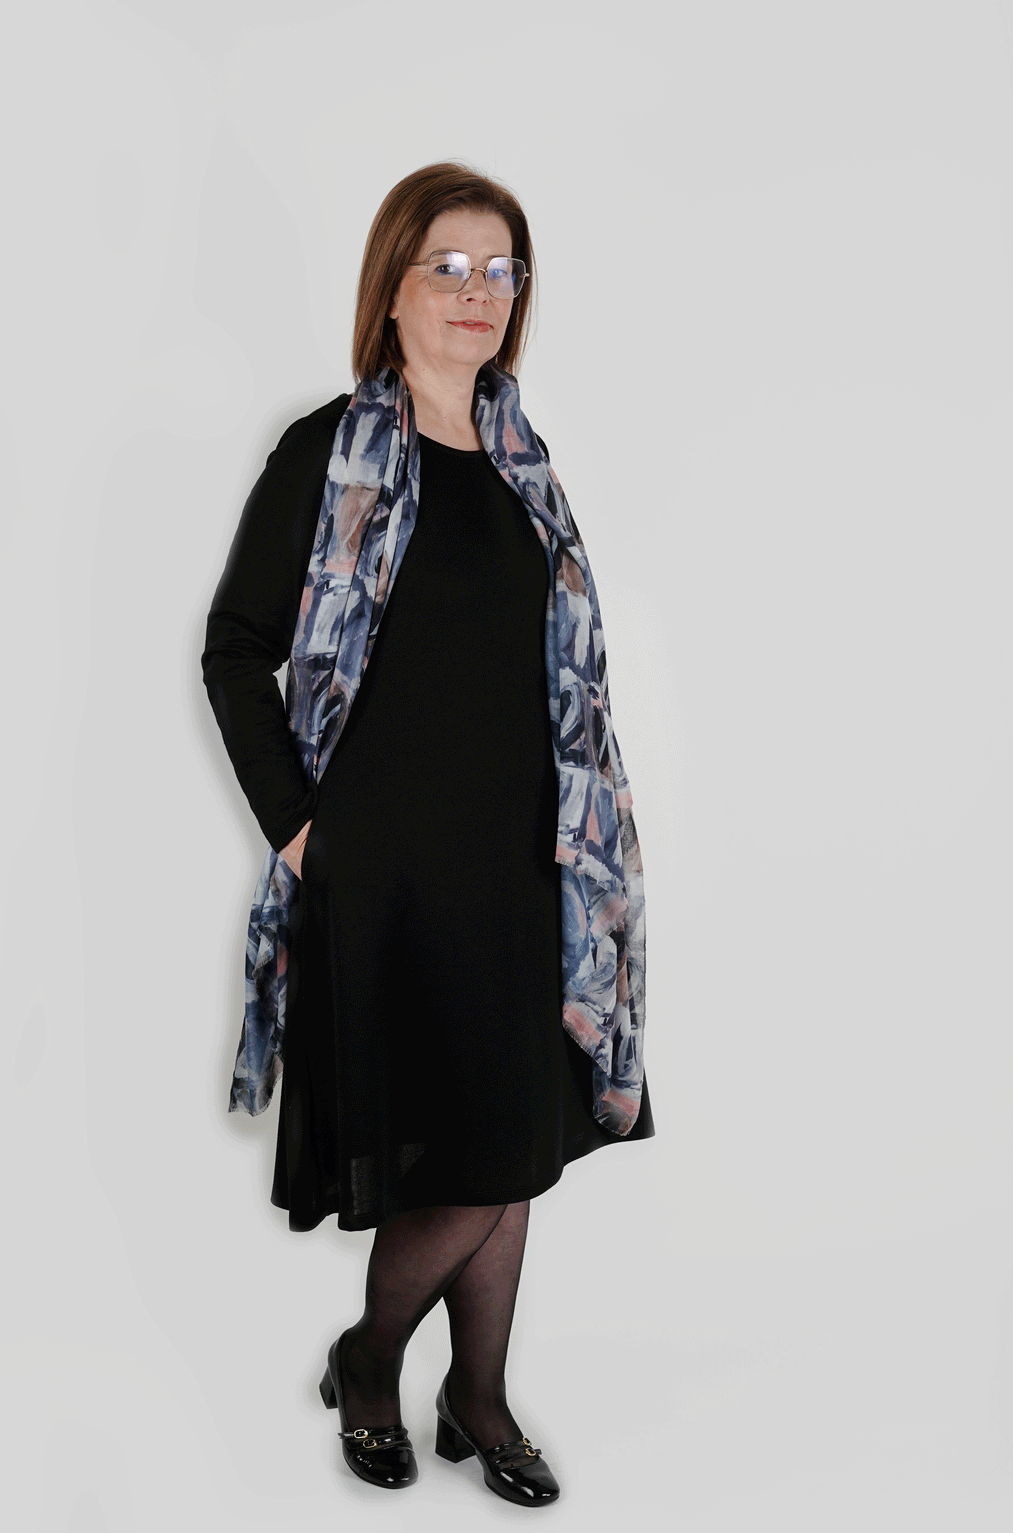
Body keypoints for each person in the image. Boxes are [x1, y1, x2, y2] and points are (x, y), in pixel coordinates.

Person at [201, 162, 654, 1506]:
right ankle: (372, 1360)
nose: (476, 292)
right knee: (466, 1162)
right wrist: (298, 830)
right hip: (387, 880)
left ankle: (477, 1394)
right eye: (447, 266)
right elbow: (234, 651)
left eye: (499, 271)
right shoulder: (326, 453)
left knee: (515, 1152)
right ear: (391, 288)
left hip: (528, 875)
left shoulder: (526, 468)